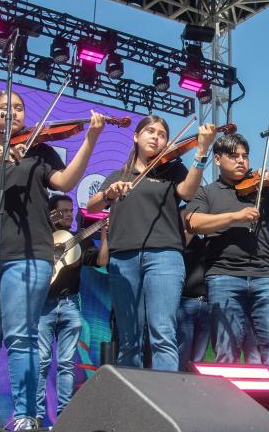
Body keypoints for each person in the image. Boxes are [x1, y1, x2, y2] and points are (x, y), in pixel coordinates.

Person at [0, 90, 105, 431]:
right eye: (5, 108)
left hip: (29, 253)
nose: (13, 113)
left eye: (18, 108)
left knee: (22, 335)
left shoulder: (38, 151)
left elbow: (66, 181)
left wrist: (90, 138)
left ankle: (25, 416)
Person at [86, 116, 215, 371]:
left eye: (162, 134)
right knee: (129, 339)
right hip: (123, 257)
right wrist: (109, 193)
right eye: (150, 131)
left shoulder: (173, 170)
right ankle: (129, 404)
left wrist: (201, 151)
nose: (156, 137)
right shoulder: (118, 175)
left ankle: (163, 405)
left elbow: (188, 192)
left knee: (163, 334)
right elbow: (92, 206)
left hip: (164, 255)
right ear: (136, 136)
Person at [186, 132, 269, 364]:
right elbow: (193, 222)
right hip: (223, 276)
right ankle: (228, 400)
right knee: (226, 348)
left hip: (265, 276)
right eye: (234, 156)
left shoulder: (263, 188)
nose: (241, 161)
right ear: (217, 159)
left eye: (245, 156)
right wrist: (236, 217)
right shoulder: (208, 192)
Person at [36, 195, 108, 426]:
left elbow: (101, 261)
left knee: (66, 363)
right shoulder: (42, 237)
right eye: (63, 211)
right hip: (43, 305)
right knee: (42, 361)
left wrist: (104, 234)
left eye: (70, 211)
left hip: (70, 303)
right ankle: (37, 417)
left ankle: (63, 419)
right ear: (52, 213)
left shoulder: (79, 239)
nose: (68, 215)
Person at [176, 228, 211, 372]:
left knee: (199, 359)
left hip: (208, 304)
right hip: (186, 302)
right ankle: (177, 387)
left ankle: (193, 387)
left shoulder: (213, 241)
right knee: (182, 352)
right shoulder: (187, 238)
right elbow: (181, 244)